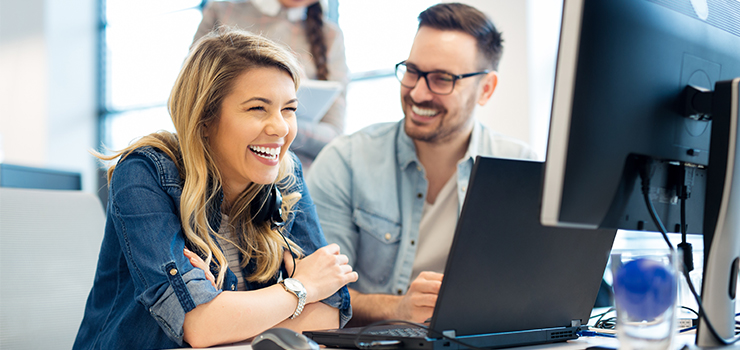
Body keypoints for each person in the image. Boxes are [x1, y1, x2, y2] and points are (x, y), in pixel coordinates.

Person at [73, 28, 357, 349]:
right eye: (257, 108)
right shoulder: (144, 172)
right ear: (205, 118)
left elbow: (329, 315)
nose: (280, 127)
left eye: (288, 109)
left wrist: (225, 313)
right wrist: (302, 287)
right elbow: (201, 327)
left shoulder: (285, 176)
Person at [306, 3, 537, 327]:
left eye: (442, 79)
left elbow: (543, 294)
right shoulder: (345, 161)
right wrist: (397, 308)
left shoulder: (524, 170)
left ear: (485, 89)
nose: (417, 92)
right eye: (412, 71)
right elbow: (317, 295)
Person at [194, 0, 349, 168]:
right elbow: (192, 99)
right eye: (257, 107)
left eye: (290, 108)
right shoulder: (222, 11)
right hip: (218, 166)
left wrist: (281, 123)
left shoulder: (330, 36)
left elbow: (334, 135)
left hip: (297, 175)